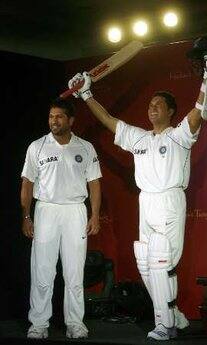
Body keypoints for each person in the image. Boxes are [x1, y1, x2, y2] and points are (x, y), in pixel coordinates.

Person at [68, 41, 207, 340]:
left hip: (169, 200)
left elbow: (201, 111)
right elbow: (109, 121)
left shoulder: (180, 136)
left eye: (158, 106)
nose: (151, 109)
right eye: (150, 105)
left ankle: (164, 325)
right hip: (146, 202)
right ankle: (173, 312)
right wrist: (86, 94)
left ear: (170, 111)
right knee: (146, 263)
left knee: (161, 261)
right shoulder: (139, 138)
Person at [20, 98, 102, 339]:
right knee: (42, 271)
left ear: (70, 120)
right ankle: (39, 323)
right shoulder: (37, 146)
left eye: (58, 117)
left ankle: (75, 324)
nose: (53, 121)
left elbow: (95, 183)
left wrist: (94, 215)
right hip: (45, 210)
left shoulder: (85, 147)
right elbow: (27, 183)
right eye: (51, 116)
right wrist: (26, 215)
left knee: (74, 271)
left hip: (75, 211)